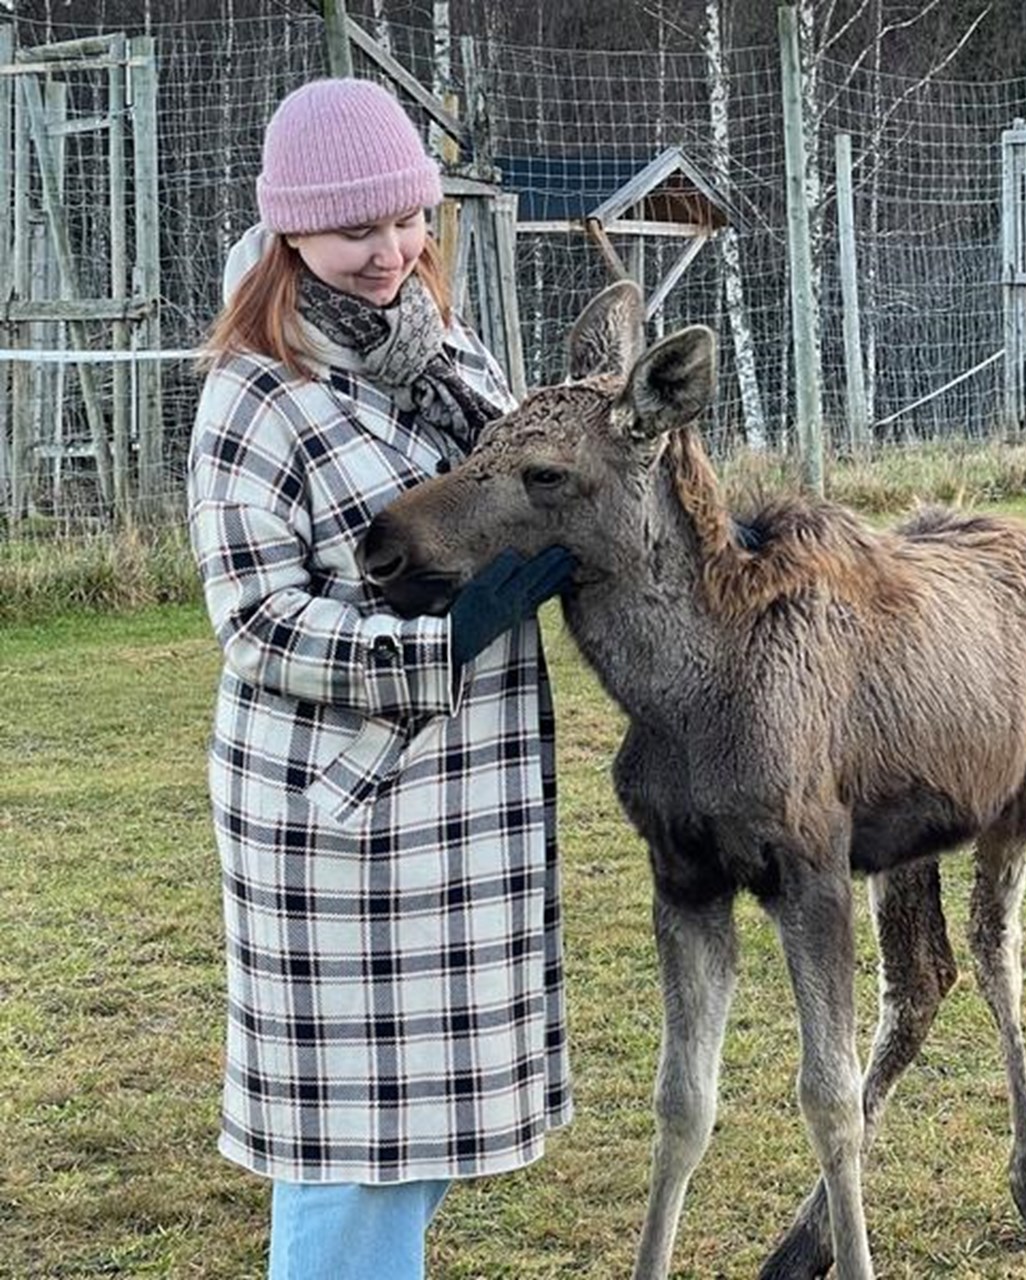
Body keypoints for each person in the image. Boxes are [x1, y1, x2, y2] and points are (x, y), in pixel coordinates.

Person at [187, 78, 576, 1279]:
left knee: (418, 1137)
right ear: (291, 233)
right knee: (353, 1155)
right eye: (358, 231)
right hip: (343, 822)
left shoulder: (446, 350)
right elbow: (255, 621)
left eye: (409, 220)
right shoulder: (253, 396)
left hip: (464, 814)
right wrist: (439, 646)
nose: (393, 252)